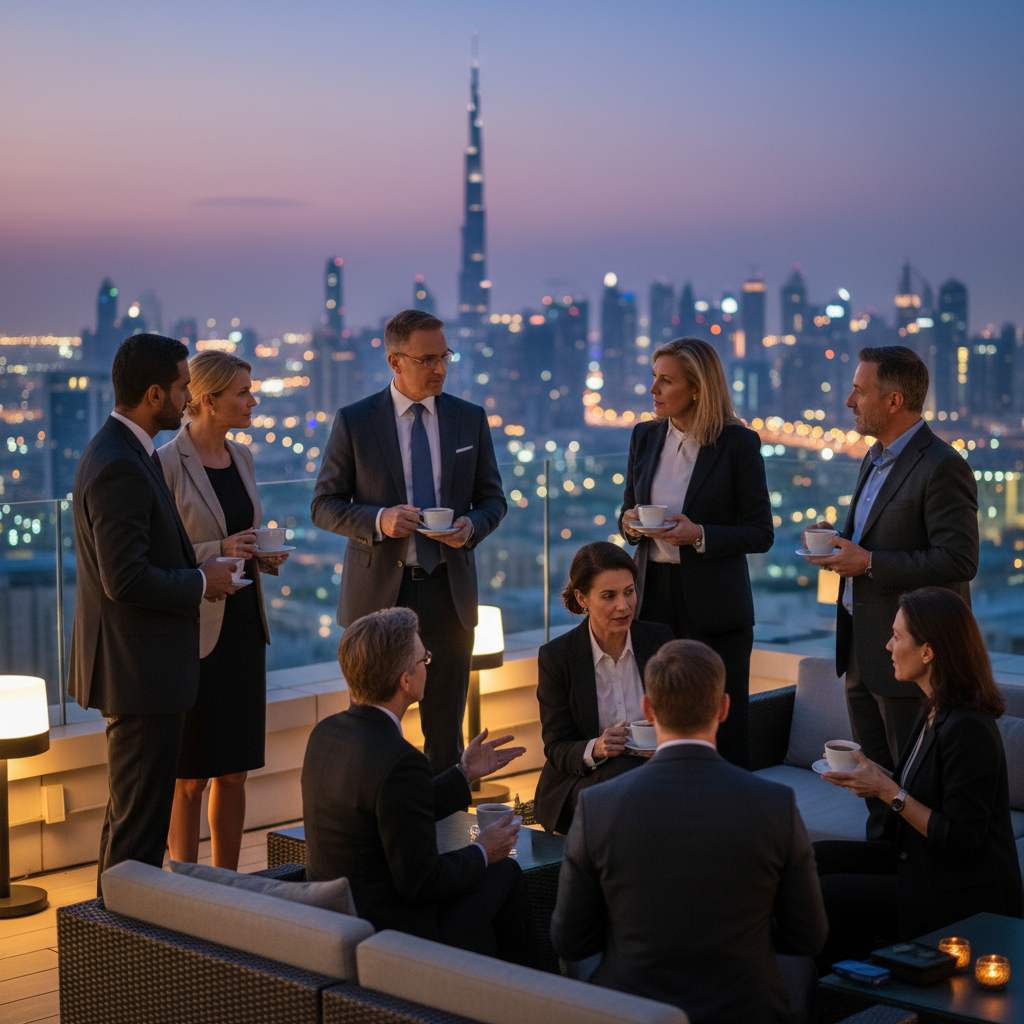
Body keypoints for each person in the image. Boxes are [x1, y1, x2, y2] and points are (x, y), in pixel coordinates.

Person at [551, 639, 827, 1024]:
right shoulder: (775, 804)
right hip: (747, 1010)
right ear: (724, 708)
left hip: (632, 1011)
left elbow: (570, 940)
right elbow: (808, 937)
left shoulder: (598, 807)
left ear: (647, 709)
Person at [69, 334, 235, 892]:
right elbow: (126, 578)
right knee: (138, 833)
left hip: (139, 668)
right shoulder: (119, 463)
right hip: (140, 673)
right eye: (184, 387)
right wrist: (199, 580)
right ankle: (119, 948)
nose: (189, 397)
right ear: (154, 392)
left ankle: (111, 938)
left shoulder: (121, 451)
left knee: (129, 818)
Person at [311, 309, 506, 775]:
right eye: (427, 360)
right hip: (379, 600)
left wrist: (472, 527)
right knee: (374, 732)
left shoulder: (469, 419)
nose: (440, 368)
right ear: (395, 361)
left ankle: (447, 840)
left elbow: (493, 499)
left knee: (445, 736)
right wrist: (380, 519)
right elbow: (323, 505)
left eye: (445, 357)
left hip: (448, 593)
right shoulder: (356, 421)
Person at [804, 346, 979, 838]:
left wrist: (869, 562)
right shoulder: (873, 458)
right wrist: (841, 545)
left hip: (910, 655)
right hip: (863, 648)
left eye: (859, 391)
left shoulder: (942, 465)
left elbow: (959, 560)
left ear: (894, 399)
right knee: (874, 786)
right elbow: (879, 539)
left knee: (912, 786)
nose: (848, 401)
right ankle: (884, 877)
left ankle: (915, 892)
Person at [302, 607, 535, 963]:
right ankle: (521, 991)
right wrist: (483, 850)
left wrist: (463, 772)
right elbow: (422, 883)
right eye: (424, 658)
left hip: (334, 919)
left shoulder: (325, 733)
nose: (429, 662)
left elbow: (393, 807)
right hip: (392, 937)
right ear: (405, 680)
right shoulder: (400, 760)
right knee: (505, 873)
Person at [815, 588, 1022, 966]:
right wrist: (872, 773)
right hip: (923, 861)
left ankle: (859, 988)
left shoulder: (967, 727)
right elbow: (921, 785)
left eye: (897, 636)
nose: (888, 645)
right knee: (813, 860)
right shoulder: (934, 706)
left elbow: (962, 838)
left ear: (928, 652)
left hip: (961, 887)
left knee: (827, 894)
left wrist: (888, 791)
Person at [159, 350, 289, 870]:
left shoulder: (243, 458)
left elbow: (244, 538)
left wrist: (264, 554)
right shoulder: (166, 463)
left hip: (243, 628)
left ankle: (227, 885)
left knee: (235, 769)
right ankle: (185, 885)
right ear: (207, 401)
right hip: (195, 631)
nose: (253, 400)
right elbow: (160, 556)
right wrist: (218, 551)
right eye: (242, 392)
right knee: (189, 775)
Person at [619, 337, 773, 768]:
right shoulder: (644, 437)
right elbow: (625, 513)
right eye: (654, 378)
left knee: (724, 727)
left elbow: (761, 533)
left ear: (697, 388)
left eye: (665, 381)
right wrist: (630, 524)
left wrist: (700, 534)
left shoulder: (738, 444)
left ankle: (733, 823)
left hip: (716, 605)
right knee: (660, 720)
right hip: (653, 599)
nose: (653, 390)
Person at [534, 541, 674, 833]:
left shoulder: (659, 639)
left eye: (629, 591)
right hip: (583, 779)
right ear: (582, 598)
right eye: (609, 596)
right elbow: (556, 747)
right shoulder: (557, 657)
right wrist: (597, 747)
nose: (623, 606)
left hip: (653, 772)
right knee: (626, 775)